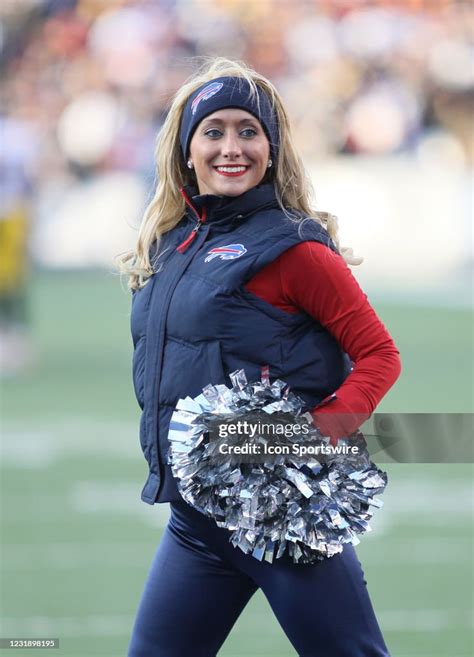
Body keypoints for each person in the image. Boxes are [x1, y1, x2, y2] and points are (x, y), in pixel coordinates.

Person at [120, 57, 401, 657]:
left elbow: (379, 355)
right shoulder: (174, 244)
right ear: (186, 150)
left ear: (271, 150)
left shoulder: (295, 249)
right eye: (214, 131)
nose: (232, 147)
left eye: (249, 132)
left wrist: (311, 440)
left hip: (280, 517)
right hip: (197, 522)